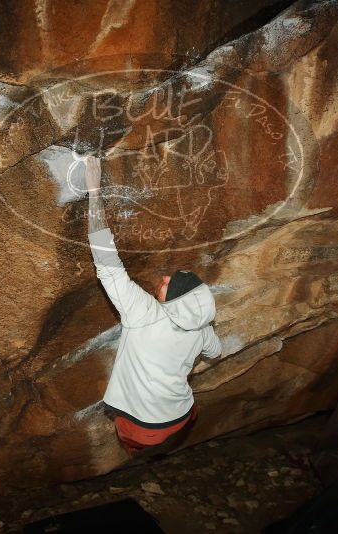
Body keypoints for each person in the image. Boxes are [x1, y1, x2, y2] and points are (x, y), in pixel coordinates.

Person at [83, 154, 223, 455]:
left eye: (165, 284)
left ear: (171, 304)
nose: (161, 278)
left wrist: (94, 192)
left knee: (136, 447)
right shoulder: (200, 330)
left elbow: (107, 264)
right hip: (180, 417)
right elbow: (216, 350)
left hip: (144, 426)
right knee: (158, 447)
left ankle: (142, 456)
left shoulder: (145, 314)